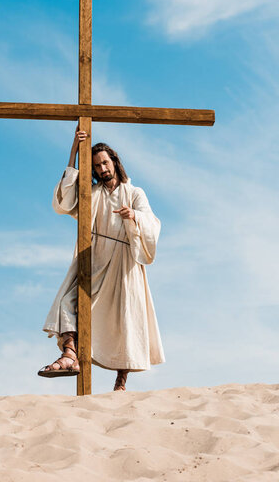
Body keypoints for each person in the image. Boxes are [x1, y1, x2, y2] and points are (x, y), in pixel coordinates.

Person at [38, 128, 165, 391]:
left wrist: (134, 216)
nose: (102, 168)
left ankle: (121, 381)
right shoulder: (91, 194)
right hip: (94, 258)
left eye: (105, 162)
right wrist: (74, 149)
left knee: (125, 318)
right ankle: (70, 354)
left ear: (115, 162)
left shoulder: (135, 192)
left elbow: (152, 223)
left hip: (124, 262)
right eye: (96, 165)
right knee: (67, 300)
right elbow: (65, 200)